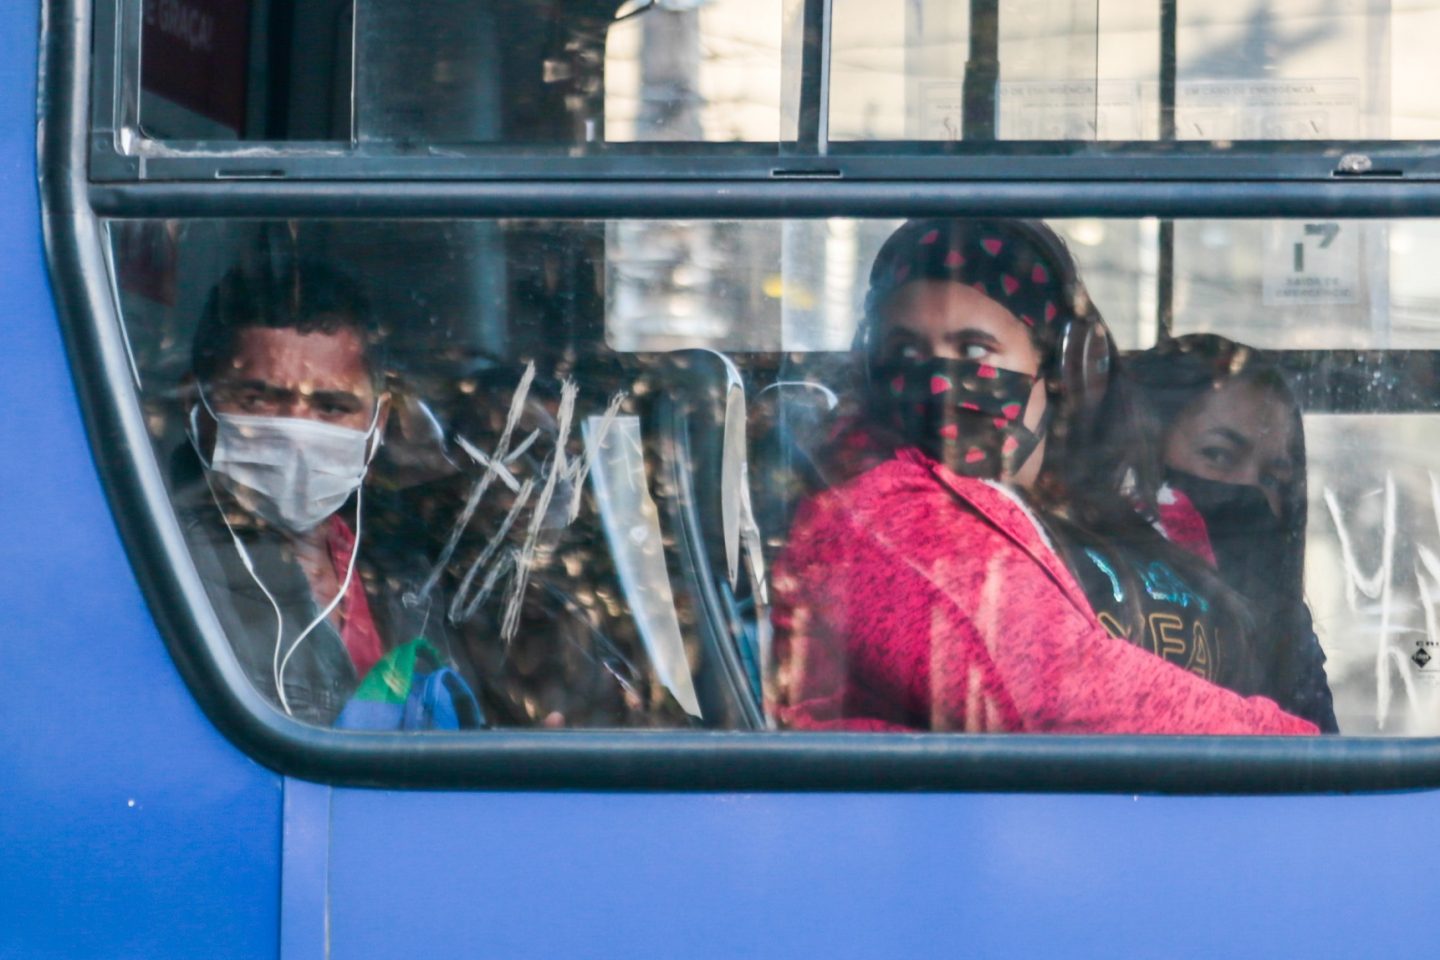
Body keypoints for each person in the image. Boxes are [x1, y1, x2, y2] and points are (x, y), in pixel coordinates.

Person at [770, 218, 1316, 734]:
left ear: (1064, 365)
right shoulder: (876, 516)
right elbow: (1057, 692)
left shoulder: (1146, 514)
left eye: (973, 350)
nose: (936, 380)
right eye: (904, 351)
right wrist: (1301, 757)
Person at [174, 259, 480, 728]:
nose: (298, 431)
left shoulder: (400, 571)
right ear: (197, 409)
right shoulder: (161, 564)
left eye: (332, 406)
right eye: (258, 400)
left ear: (376, 426)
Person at [1125, 334, 1337, 732]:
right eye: (1218, 456)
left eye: (1273, 478)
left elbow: (1324, 766)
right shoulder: (1095, 589)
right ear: (1143, 453)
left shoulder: (1284, 622)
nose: (1249, 492)